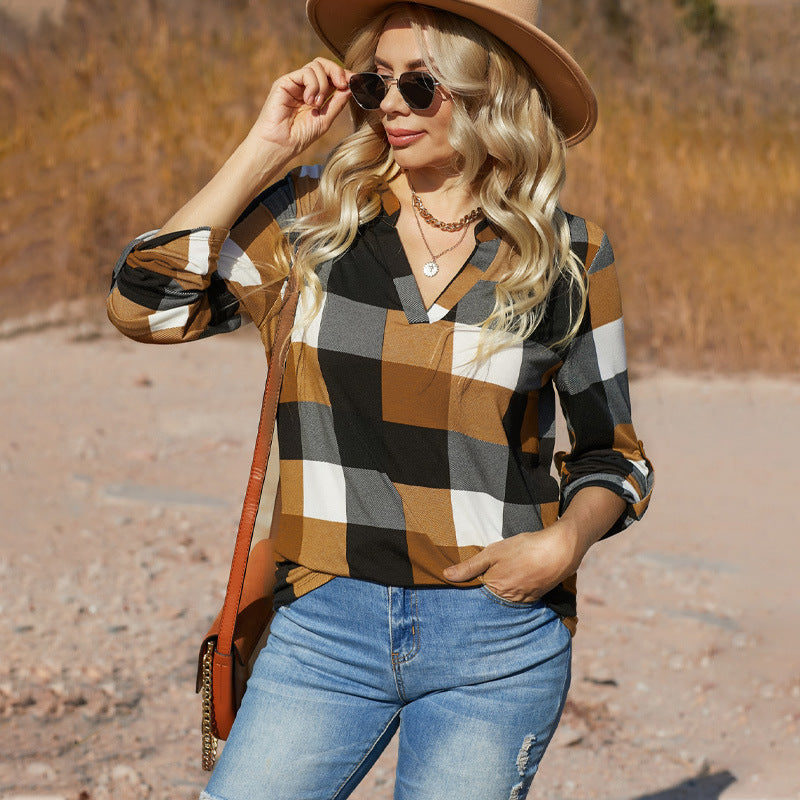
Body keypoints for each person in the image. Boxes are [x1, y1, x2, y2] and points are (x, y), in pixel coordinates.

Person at [108, 1, 654, 797]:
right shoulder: (312, 218)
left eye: (419, 86)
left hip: (494, 636)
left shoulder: (568, 254)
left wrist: (564, 545)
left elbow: (613, 455)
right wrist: (264, 149)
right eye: (375, 83)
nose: (390, 104)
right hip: (323, 623)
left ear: (490, 94)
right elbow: (143, 307)